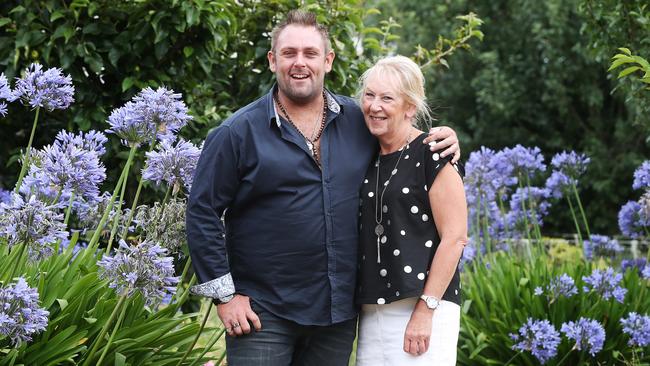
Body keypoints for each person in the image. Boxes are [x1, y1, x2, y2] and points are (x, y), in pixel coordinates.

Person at [186, 10, 461, 366]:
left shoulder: (358, 122)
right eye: (289, 53)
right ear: (272, 60)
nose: (299, 63)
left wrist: (443, 141)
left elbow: (402, 141)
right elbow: (202, 211)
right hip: (262, 313)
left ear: (327, 60)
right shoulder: (236, 133)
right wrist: (225, 297)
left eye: (310, 53)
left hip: (337, 316)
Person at [355, 55, 468, 366]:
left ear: (410, 107)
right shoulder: (365, 154)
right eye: (369, 95)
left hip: (424, 308)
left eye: (387, 98)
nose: (374, 106)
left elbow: (455, 238)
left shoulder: (433, 153)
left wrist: (425, 310)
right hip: (372, 310)